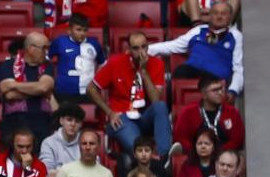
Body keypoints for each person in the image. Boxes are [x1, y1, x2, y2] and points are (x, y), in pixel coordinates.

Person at [88, 33, 169, 161]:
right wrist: (109, 112)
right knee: (138, 149)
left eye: (143, 47)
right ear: (129, 50)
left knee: (160, 106)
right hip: (122, 117)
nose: (141, 52)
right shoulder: (116, 62)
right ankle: (152, 161)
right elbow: (91, 88)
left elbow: (155, 100)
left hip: (145, 116)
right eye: (136, 48)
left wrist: (144, 72)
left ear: (148, 47)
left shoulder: (157, 64)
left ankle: (164, 156)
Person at [149, 1, 243, 97]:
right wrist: (145, 49)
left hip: (215, 77)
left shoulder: (236, 36)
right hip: (191, 70)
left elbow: (238, 68)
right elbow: (171, 46)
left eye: (223, 14)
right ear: (210, 15)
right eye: (215, 13)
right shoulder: (198, 30)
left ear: (230, 16)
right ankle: (171, 110)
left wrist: (233, 91)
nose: (219, 17)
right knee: (179, 72)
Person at [0, 32, 55, 142]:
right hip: (15, 121)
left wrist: (14, 85)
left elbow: (43, 88)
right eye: (44, 48)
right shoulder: (8, 65)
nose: (47, 52)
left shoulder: (48, 66)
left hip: (42, 121)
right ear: (30, 48)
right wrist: (38, 92)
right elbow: (9, 94)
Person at [174, 74, 244, 154]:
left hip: (224, 157)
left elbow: (237, 140)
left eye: (221, 88)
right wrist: (198, 151)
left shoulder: (232, 112)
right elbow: (180, 137)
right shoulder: (188, 112)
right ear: (204, 95)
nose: (220, 93)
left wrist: (218, 152)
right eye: (215, 90)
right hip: (197, 157)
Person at [48, 13, 104, 104]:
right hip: (64, 92)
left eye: (85, 30)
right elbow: (47, 59)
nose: (82, 33)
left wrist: (95, 81)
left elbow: (103, 64)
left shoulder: (94, 44)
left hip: (88, 92)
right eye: (78, 30)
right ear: (69, 30)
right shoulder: (59, 42)